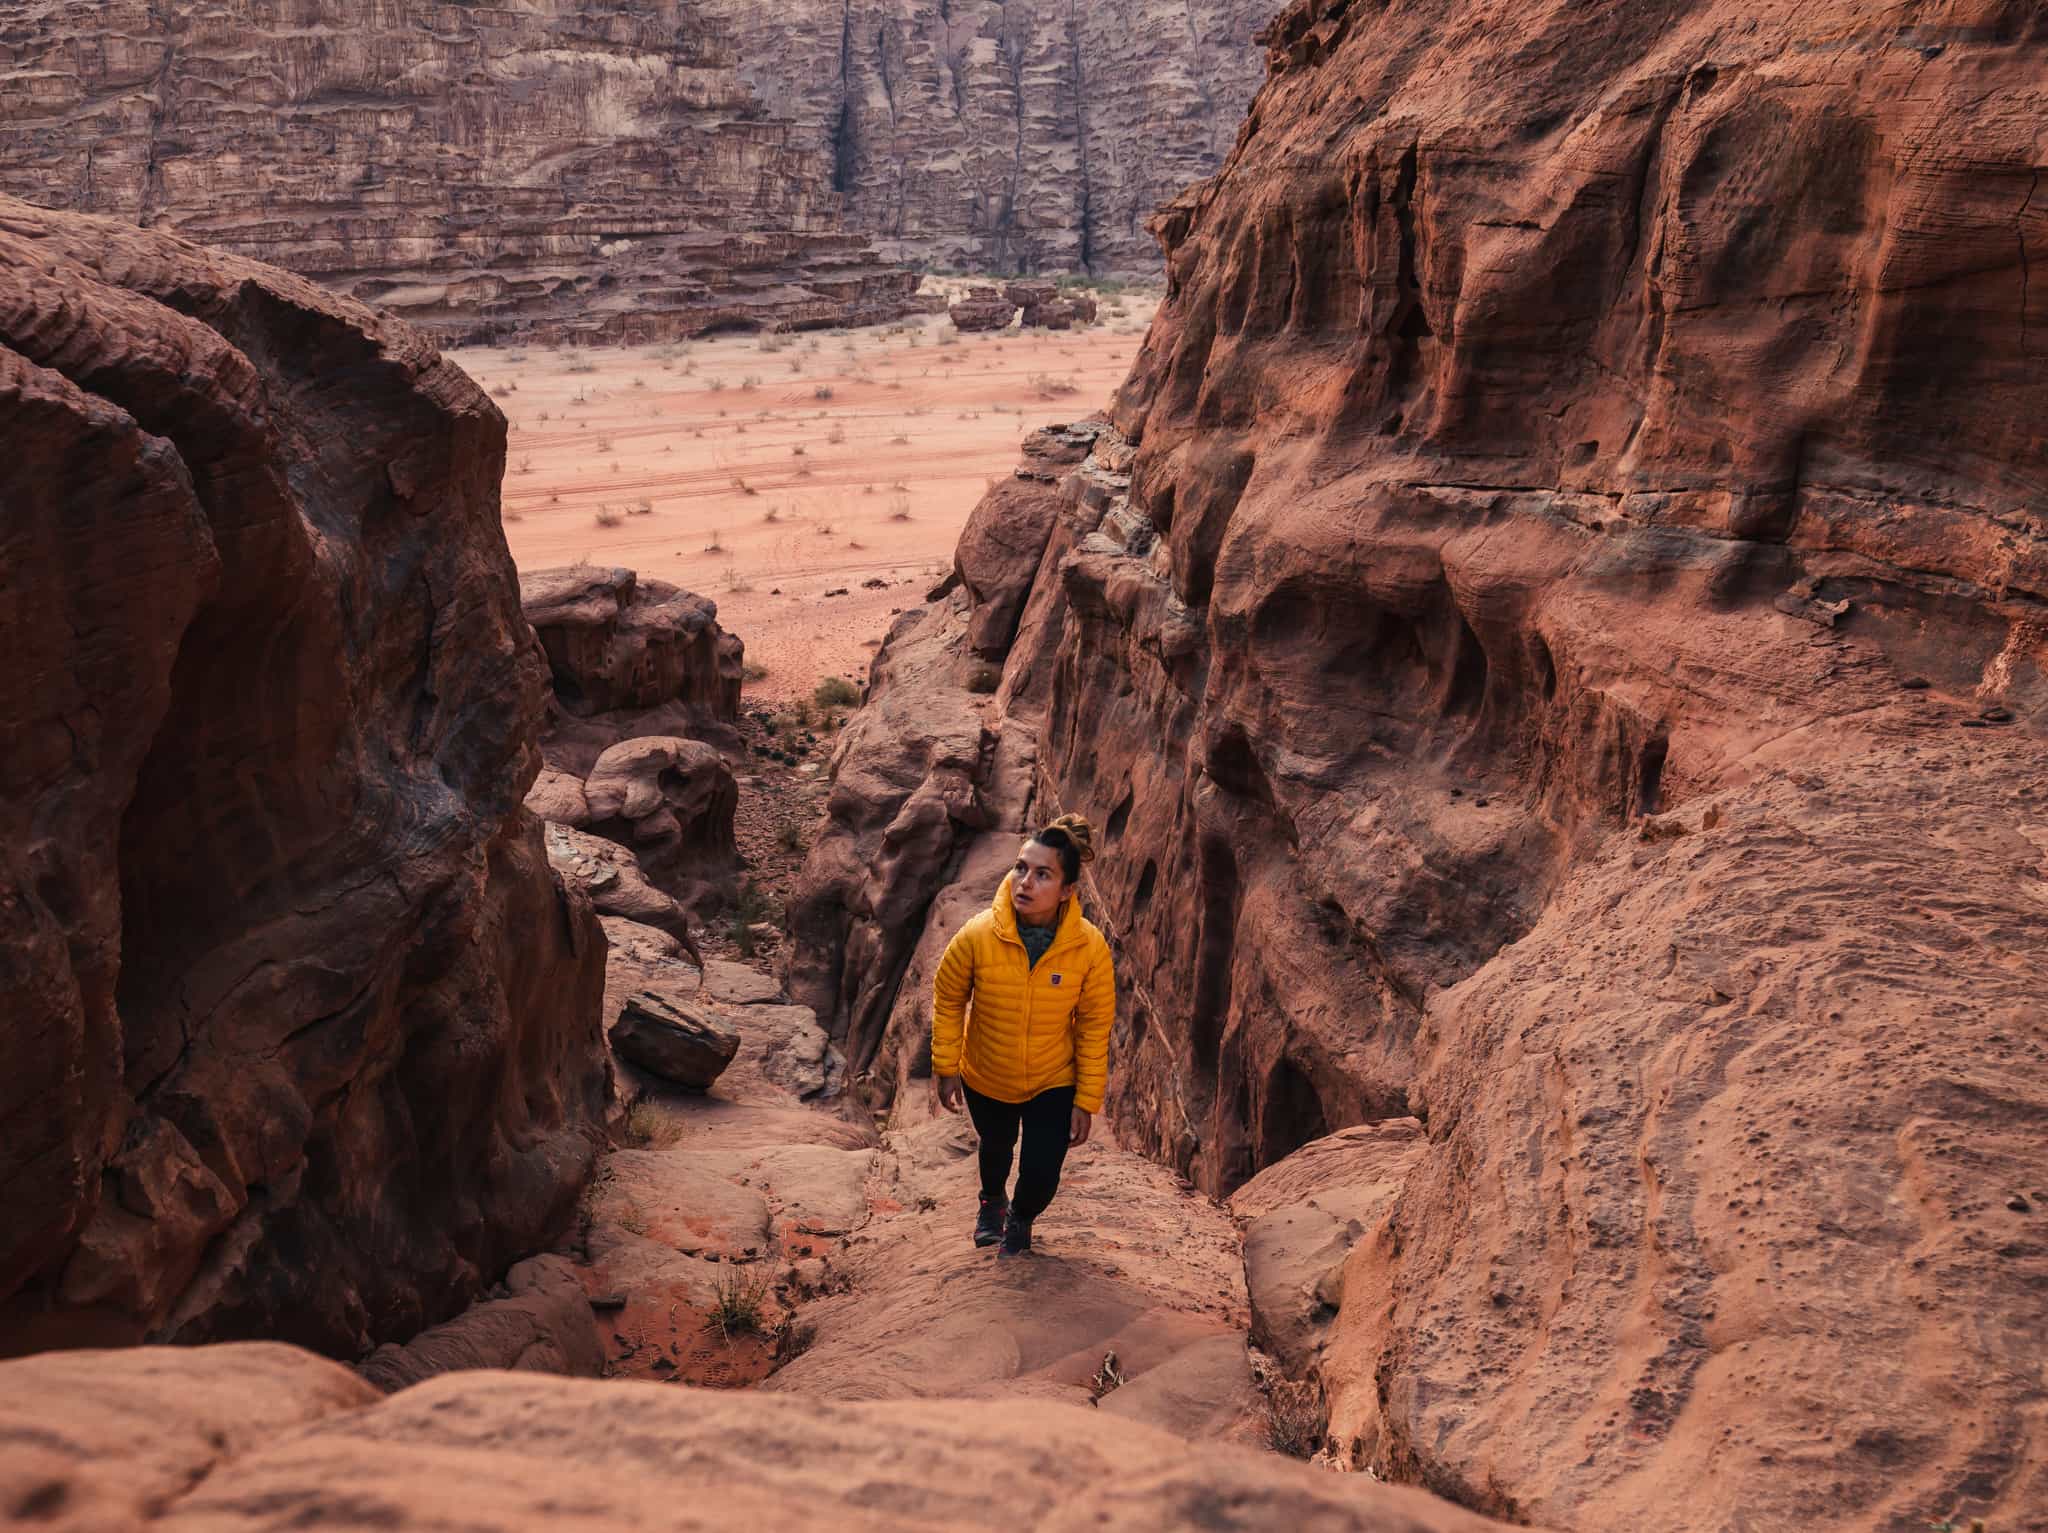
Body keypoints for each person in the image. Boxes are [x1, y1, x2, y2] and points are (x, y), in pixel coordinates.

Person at [931, 813, 1115, 1258]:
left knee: (1042, 1170)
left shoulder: (1089, 949)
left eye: (1042, 874)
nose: (1024, 882)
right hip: (987, 1074)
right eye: (1021, 868)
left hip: (1053, 1079)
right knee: (995, 1150)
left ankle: (1022, 1216)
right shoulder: (977, 935)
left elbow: (1094, 1025)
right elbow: (949, 996)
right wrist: (946, 1065)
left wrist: (1085, 1100)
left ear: (1067, 890)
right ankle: (992, 1202)